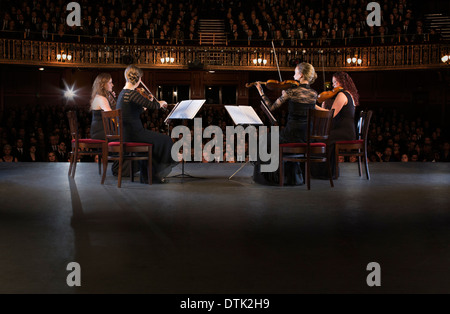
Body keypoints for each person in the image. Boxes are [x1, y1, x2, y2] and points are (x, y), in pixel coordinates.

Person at [253, 62, 324, 185]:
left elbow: (271, 108)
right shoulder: (314, 94)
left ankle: (270, 177)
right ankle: (291, 175)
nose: (293, 75)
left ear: (301, 75)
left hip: (291, 135)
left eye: (295, 72)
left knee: (265, 139)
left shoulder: (291, 91)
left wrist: (261, 92)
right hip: (307, 136)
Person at [116, 65, 177, 183]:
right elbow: (153, 106)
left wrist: (148, 102)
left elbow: (137, 110)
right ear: (138, 79)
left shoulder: (123, 94)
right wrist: (161, 103)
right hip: (134, 134)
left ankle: (150, 176)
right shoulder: (132, 94)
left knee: (156, 142)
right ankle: (157, 173)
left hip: (127, 133)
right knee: (165, 140)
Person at [314, 71, 359, 178]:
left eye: (335, 82)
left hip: (344, 133)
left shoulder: (342, 95)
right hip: (347, 131)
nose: (333, 85)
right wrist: (324, 107)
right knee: (323, 137)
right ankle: (330, 171)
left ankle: (326, 172)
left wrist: (314, 106)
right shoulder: (349, 94)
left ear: (341, 82)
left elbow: (330, 115)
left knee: (321, 139)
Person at [90, 73, 115, 140]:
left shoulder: (99, 97)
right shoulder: (101, 98)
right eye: (110, 83)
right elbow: (112, 116)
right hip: (101, 133)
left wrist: (110, 101)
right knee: (126, 136)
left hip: (99, 132)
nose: (112, 85)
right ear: (103, 85)